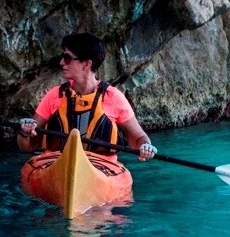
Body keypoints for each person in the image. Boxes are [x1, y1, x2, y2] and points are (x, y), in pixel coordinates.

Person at [16, 32, 157, 161]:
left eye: (67, 58)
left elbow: (138, 138)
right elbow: (27, 147)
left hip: (100, 168)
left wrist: (145, 146)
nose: (61, 63)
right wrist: (24, 132)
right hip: (56, 164)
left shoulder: (114, 97)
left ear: (87, 63)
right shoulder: (55, 95)